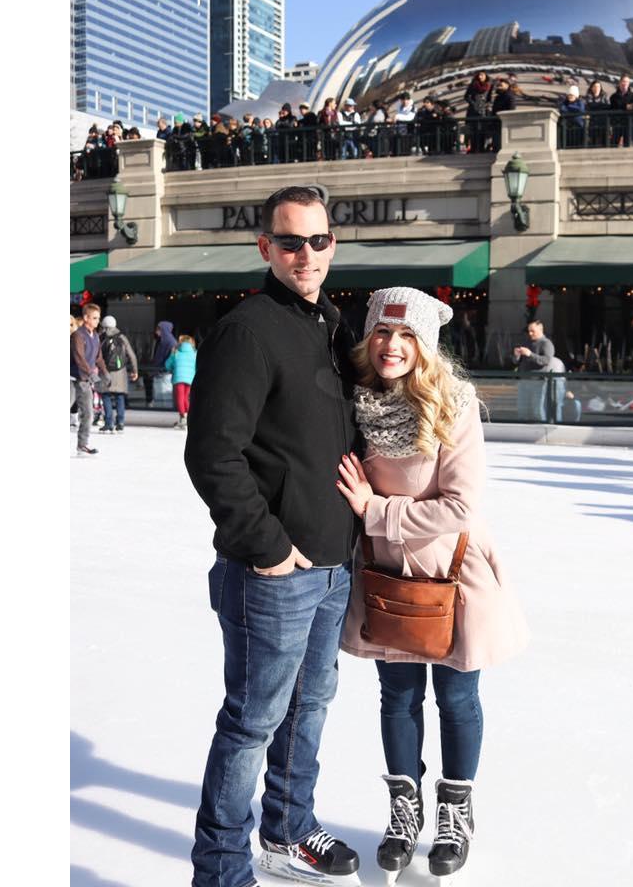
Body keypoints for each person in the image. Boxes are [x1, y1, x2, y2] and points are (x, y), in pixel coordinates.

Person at [184, 186, 362, 887]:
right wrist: (265, 545)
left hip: (331, 566)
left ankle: (287, 832)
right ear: (265, 248)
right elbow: (212, 453)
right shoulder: (249, 329)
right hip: (275, 572)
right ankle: (222, 871)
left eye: (317, 241)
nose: (306, 255)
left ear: (332, 245)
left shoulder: (330, 324)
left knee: (310, 706)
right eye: (290, 242)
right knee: (253, 724)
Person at [336, 287, 528, 886]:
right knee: (397, 698)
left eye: (406, 335)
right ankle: (403, 810)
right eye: (383, 333)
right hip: (386, 578)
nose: (392, 346)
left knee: (456, 700)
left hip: (450, 575)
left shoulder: (453, 403)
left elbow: (460, 505)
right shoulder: (355, 400)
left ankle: (455, 812)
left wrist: (376, 511)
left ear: (426, 343)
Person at [71, 303, 109, 457]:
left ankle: (82, 445)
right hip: (73, 378)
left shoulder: (96, 336)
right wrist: (90, 373)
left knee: (88, 413)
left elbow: (98, 357)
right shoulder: (78, 335)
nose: (97, 321)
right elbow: (78, 357)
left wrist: (105, 373)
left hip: (85, 381)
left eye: (98, 318)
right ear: (86, 318)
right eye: (94, 318)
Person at [98, 315, 139, 434]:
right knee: (120, 397)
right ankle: (120, 423)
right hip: (120, 373)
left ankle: (108, 423)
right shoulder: (122, 338)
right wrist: (135, 370)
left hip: (106, 372)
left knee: (106, 396)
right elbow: (132, 355)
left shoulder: (102, 338)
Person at [512, 320, 555, 422]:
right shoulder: (527, 342)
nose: (530, 333)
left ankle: (541, 431)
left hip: (538, 382)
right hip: (524, 381)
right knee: (522, 409)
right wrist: (516, 355)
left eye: (533, 331)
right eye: (529, 331)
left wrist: (530, 354)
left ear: (540, 330)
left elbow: (546, 360)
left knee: (538, 410)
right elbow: (516, 362)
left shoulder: (546, 343)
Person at [165, 334, 197, 429]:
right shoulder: (195, 353)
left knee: (180, 398)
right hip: (190, 379)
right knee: (186, 398)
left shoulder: (176, 353)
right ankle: (188, 418)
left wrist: (172, 355)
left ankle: (183, 418)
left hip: (179, 378)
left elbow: (167, 365)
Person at [144, 320, 178, 407]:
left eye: (158, 329)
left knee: (165, 397)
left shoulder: (171, 343)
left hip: (165, 373)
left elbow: (171, 358)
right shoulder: (161, 341)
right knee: (160, 397)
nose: (156, 331)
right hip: (159, 371)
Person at [463, 71, 492, 153]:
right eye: (479, 75)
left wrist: (487, 105)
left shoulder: (489, 85)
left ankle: (482, 148)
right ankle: (473, 148)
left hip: (483, 111)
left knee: (483, 129)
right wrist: (473, 104)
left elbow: (489, 97)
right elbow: (466, 97)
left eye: (482, 75)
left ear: (486, 76)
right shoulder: (473, 85)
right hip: (473, 110)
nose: (480, 76)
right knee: (473, 130)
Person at [609, 73, 633, 148]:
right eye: (623, 81)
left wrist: (622, 106)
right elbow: (616, 105)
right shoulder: (613, 96)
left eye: (626, 82)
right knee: (613, 144)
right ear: (619, 82)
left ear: (629, 84)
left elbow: (632, 107)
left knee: (627, 145)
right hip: (617, 123)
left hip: (628, 123)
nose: (625, 83)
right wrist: (626, 106)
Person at [585, 80, 610, 147]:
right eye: (595, 87)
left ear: (600, 88)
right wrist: (601, 105)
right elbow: (589, 106)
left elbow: (608, 106)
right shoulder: (588, 97)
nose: (596, 88)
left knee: (605, 143)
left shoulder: (605, 96)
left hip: (603, 124)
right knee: (592, 143)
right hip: (593, 124)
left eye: (598, 87)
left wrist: (595, 106)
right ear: (591, 88)